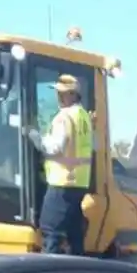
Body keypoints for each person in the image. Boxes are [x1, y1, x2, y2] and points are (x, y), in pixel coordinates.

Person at [28, 74, 95, 254]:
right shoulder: (83, 116)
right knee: (74, 234)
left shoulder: (64, 117)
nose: (59, 97)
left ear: (73, 95)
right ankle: (77, 270)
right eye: (58, 93)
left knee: (51, 230)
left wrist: (35, 137)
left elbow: (55, 147)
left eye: (62, 93)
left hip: (62, 181)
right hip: (78, 182)